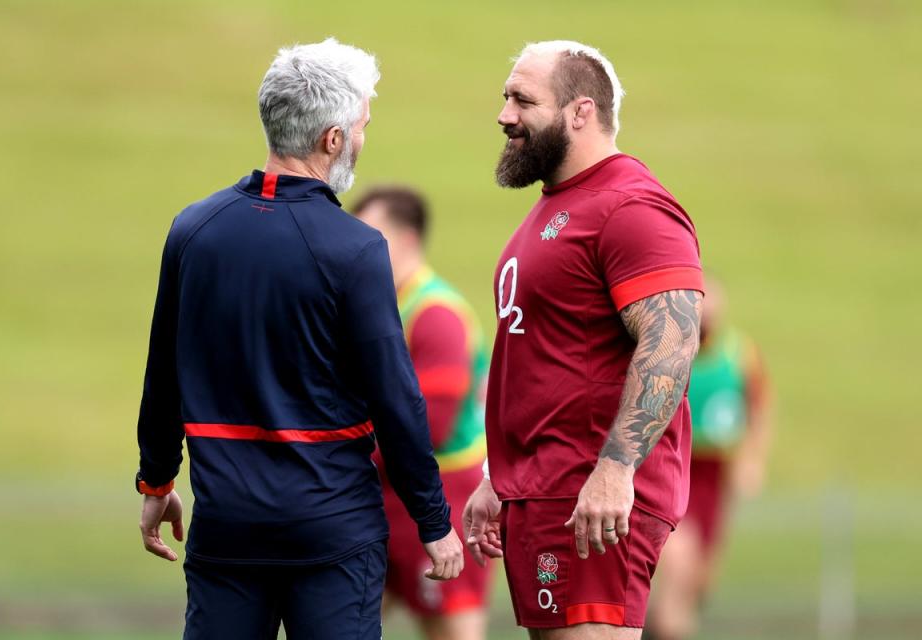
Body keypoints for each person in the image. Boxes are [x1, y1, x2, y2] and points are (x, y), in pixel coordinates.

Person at [133, 39, 463, 640]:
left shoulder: (193, 231)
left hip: (226, 530)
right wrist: (434, 520)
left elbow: (163, 375)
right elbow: (396, 399)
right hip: (333, 537)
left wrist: (156, 481)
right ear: (332, 139)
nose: (364, 137)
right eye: (361, 125)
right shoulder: (357, 250)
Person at [462, 40, 705, 640]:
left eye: (523, 99)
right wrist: (501, 476)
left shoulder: (630, 205)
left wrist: (617, 469)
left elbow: (672, 341)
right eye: (505, 98)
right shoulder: (557, 207)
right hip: (545, 494)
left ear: (581, 112)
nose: (505, 115)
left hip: (592, 502)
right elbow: (541, 357)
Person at [352, 186, 493, 640]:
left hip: (443, 496)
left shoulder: (434, 314)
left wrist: (340, 453)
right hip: (386, 497)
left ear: (408, 240)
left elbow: (431, 426)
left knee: (451, 630)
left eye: (372, 239)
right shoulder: (385, 308)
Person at [646, 280, 773, 640]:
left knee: (699, 582)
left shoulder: (739, 354)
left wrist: (753, 459)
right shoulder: (666, 351)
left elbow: (760, 409)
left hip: (716, 474)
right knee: (679, 568)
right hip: (674, 466)